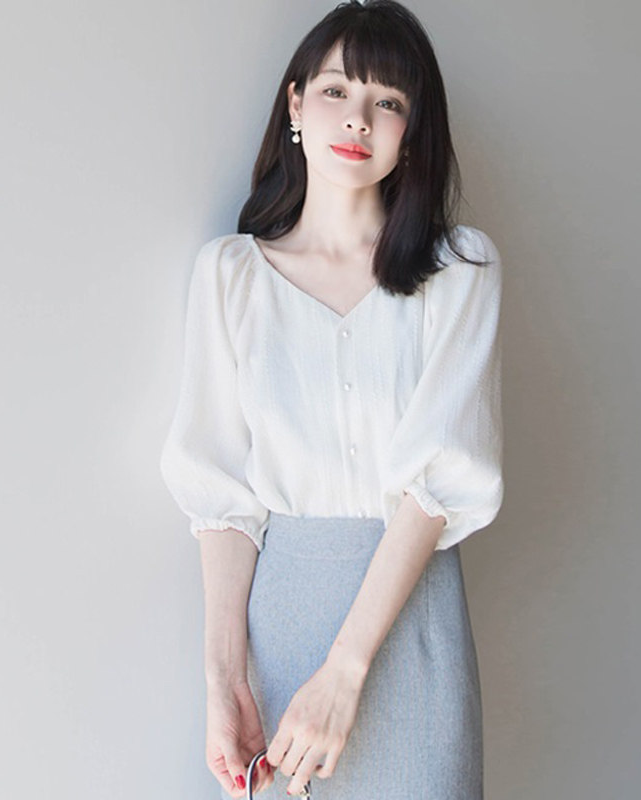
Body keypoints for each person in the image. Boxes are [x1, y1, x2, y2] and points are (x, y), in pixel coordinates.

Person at [160, 1, 504, 797]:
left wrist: (345, 674)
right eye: (337, 91)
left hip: (410, 619)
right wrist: (223, 679)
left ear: (412, 131)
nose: (359, 119)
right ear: (295, 103)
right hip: (279, 623)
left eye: (388, 101)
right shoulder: (230, 275)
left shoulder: (460, 270)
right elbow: (222, 496)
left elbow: (439, 481)